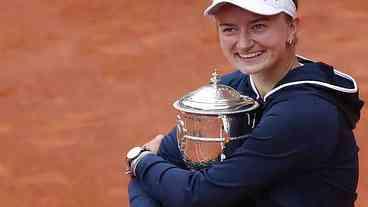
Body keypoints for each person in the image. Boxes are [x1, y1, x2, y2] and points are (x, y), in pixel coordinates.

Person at [125, 0, 364, 206]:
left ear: (292, 27)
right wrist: (149, 168)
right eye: (229, 29)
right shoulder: (234, 87)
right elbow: (148, 182)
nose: (243, 43)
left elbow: (197, 195)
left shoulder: (303, 113)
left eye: (258, 26)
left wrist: (139, 159)